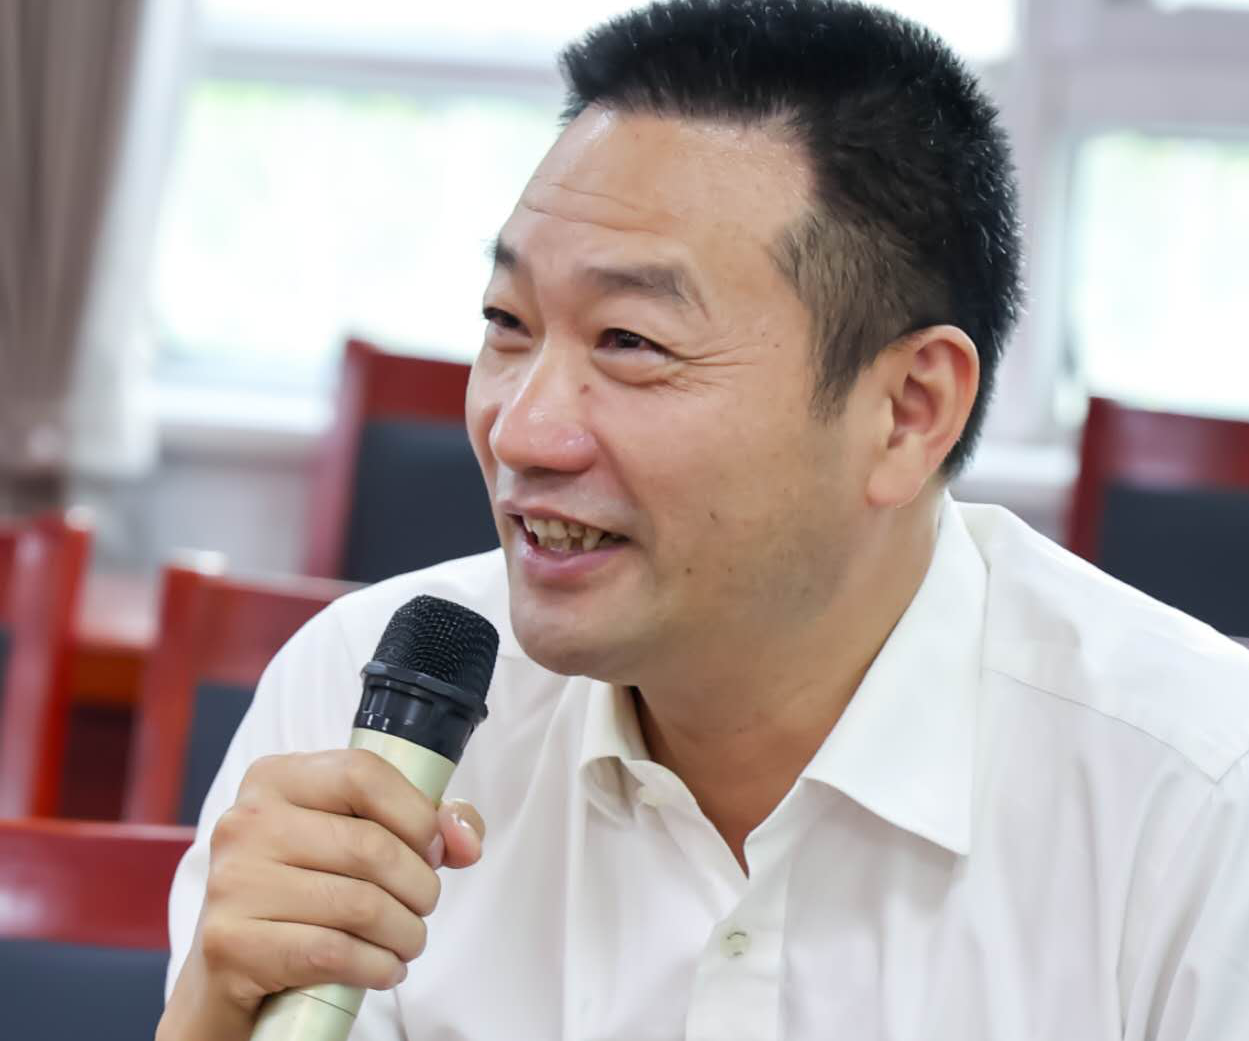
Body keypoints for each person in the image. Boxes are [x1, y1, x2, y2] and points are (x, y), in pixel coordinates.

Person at [157, 2, 1249, 1038]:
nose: (522, 429)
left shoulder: (1198, 802)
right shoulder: (363, 707)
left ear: (907, 411)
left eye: (631, 342)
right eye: (506, 322)